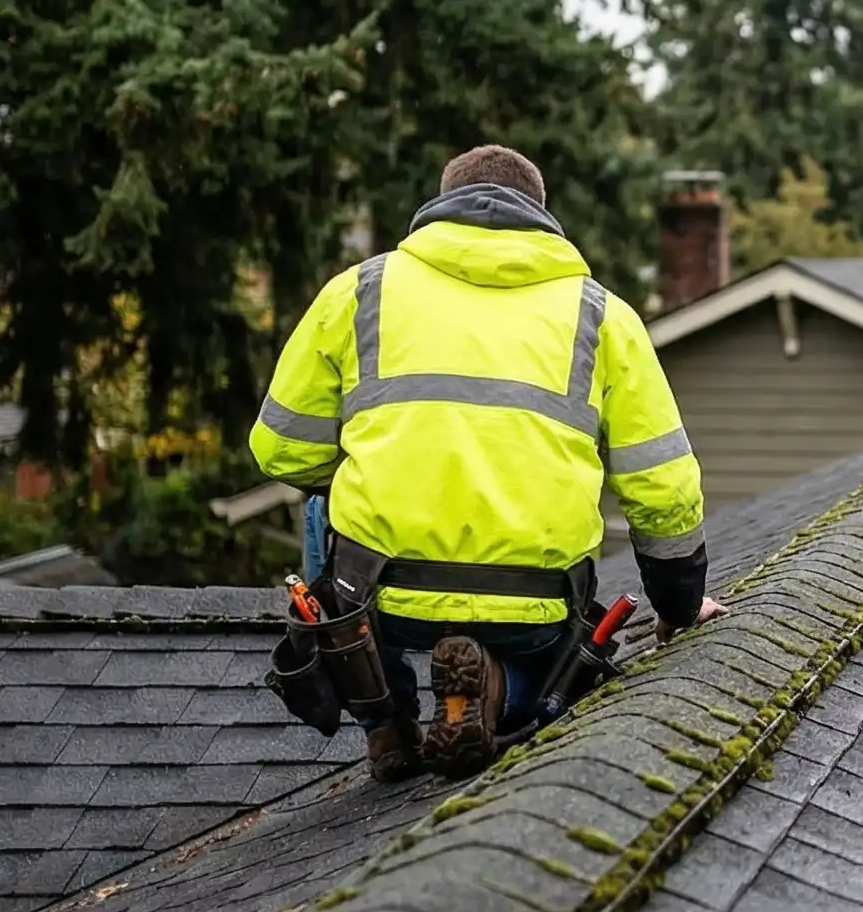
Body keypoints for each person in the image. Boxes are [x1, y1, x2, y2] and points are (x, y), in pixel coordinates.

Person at [251, 145, 723, 781]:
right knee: (556, 669)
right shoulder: (602, 316)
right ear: (540, 215)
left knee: (320, 508)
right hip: (535, 603)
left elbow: (280, 448)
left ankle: (385, 720)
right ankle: (496, 687)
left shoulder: (359, 293)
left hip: (380, 591)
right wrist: (678, 603)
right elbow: (662, 487)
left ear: (440, 207)